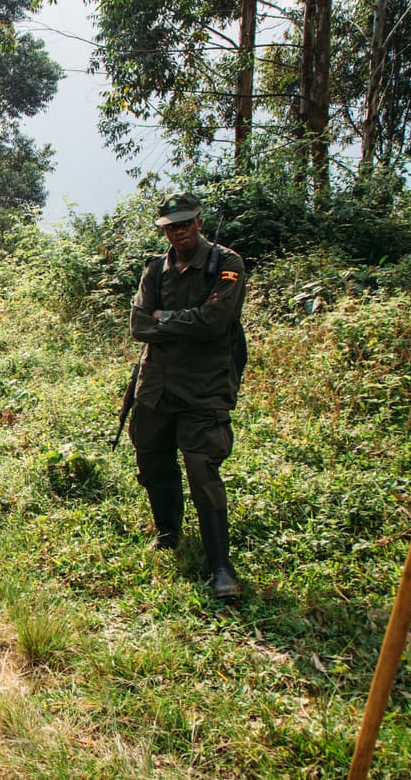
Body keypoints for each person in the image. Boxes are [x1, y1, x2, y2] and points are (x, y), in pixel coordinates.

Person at [129, 192, 247, 599]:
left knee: (202, 471)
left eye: (185, 223)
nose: (178, 232)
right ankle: (168, 533)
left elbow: (216, 322)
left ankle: (220, 565)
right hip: (156, 384)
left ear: (198, 222)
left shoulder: (225, 264)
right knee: (153, 458)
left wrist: (167, 318)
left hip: (204, 388)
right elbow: (139, 324)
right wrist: (182, 320)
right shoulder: (154, 270)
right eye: (170, 226)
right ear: (163, 229)